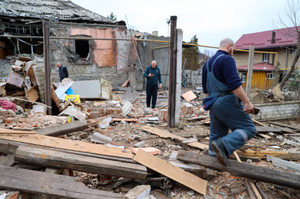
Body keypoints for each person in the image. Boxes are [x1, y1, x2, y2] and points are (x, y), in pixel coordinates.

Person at [202, 38, 256, 166]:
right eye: (234, 50)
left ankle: (213, 164)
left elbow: (206, 91)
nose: (233, 53)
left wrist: (216, 103)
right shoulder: (227, 59)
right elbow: (234, 85)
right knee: (249, 128)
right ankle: (224, 145)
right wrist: (247, 102)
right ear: (229, 46)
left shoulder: (207, 64)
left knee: (217, 135)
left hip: (212, 103)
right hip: (226, 99)